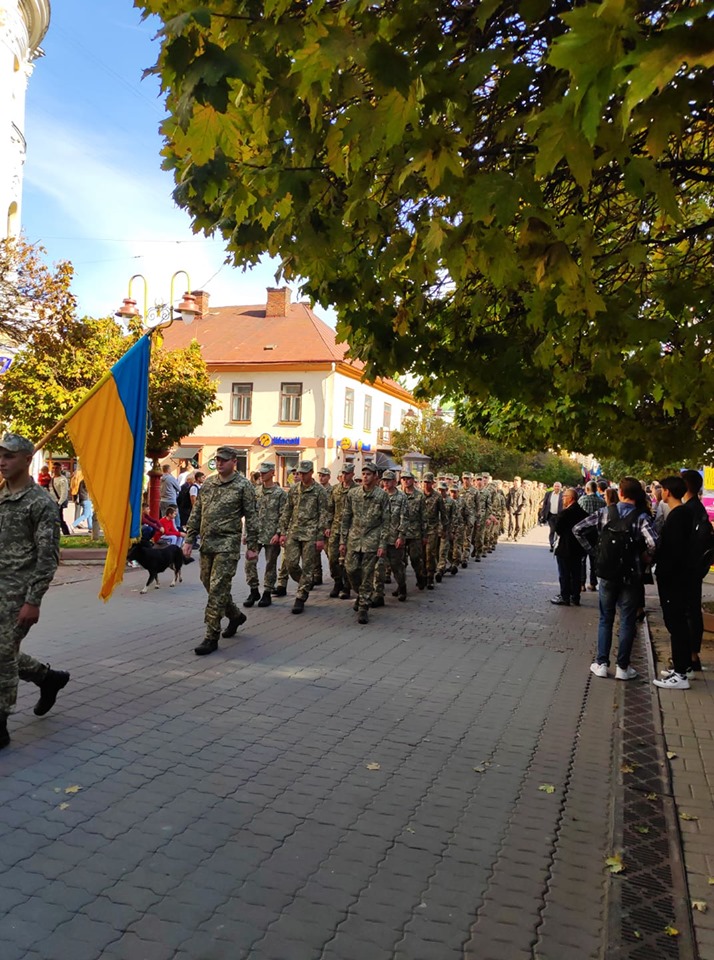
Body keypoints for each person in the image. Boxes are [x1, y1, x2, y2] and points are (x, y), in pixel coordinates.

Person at [0, 433, 71, 750]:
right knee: (4, 651)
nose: (2, 461)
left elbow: (48, 557)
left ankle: (0, 723)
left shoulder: (40, 503)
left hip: (18, 593)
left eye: (10, 456)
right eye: (0, 455)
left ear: (28, 459)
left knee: (1, 655)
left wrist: (33, 600)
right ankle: (47, 678)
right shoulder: (1, 497)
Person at [574, 477, 657, 680]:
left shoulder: (605, 513)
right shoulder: (641, 517)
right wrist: (645, 557)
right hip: (631, 574)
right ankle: (623, 667)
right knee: (627, 620)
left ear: (620, 492)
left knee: (605, 618)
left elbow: (578, 529)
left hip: (607, 574)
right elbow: (654, 542)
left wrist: (594, 552)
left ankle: (601, 663)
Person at [182, 446, 258, 655]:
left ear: (234, 461)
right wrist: (189, 539)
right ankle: (234, 615)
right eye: (218, 459)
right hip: (207, 544)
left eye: (224, 459)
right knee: (208, 583)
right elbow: (197, 511)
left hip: (228, 544)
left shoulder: (243, 486)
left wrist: (252, 546)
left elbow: (252, 517)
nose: (220, 463)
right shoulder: (208, 483)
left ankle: (211, 636)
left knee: (217, 588)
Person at [653, 476, 695, 690]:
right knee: (678, 622)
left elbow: (674, 551)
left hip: (673, 579)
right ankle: (684, 666)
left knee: (675, 623)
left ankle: (680, 674)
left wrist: (662, 571)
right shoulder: (682, 513)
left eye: (661, 488)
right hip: (678, 577)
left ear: (668, 491)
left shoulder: (678, 516)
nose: (659, 491)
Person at [278, 460, 330, 614]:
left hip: (311, 533)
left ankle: (300, 597)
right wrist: (282, 532)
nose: (301, 475)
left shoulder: (319, 491)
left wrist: (320, 537)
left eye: (304, 473)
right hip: (294, 532)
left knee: (308, 566)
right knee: (290, 563)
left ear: (311, 472)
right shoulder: (294, 489)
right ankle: (305, 582)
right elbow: (287, 510)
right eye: (299, 473)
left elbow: (323, 514)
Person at [340, 462, 388, 624]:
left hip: (372, 540)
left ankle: (363, 608)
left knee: (368, 575)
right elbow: (346, 518)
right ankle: (361, 593)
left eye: (369, 474)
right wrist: (342, 541)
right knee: (351, 570)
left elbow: (386, 522)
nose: (366, 477)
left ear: (375, 477)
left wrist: (382, 545)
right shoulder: (353, 494)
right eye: (364, 474)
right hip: (354, 539)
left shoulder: (382, 496)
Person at [243, 462, 286, 608]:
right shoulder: (256, 492)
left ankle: (267, 592)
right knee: (249, 562)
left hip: (271, 534)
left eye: (265, 472)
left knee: (270, 564)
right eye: (260, 472)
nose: (261, 474)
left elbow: (284, 515)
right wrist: (246, 533)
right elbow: (250, 514)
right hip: (255, 533)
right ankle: (253, 590)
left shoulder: (280, 493)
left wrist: (279, 533)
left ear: (273, 473)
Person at [681, 468, 711, 674]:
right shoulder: (698, 509)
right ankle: (692, 656)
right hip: (696, 568)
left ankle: (689, 658)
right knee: (692, 610)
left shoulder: (689, 510)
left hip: (688, 569)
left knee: (688, 612)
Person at [373, 469, 407, 604]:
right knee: (379, 566)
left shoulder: (401, 497)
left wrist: (401, 536)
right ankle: (378, 594)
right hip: (380, 537)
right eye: (384, 480)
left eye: (388, 480)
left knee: (396, 566)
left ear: (394, 482)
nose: (385, 483)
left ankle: (402, 587)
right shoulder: (378, 495)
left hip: (394, 537)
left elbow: (404, 518)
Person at [551, 488, 587, 606]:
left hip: (565, 548)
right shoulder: (582, 512)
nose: (562, 498)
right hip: (578, 548)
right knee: (576, 573)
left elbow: (558, 529)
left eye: (564, 496)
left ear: (570, 498)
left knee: (564, 573)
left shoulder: (565, 513)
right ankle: (575, 597)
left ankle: (565, 596)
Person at [326, 464, 357, 599]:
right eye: (343, 473)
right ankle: (337, 582)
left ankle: (347, 587)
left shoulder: (357, 490)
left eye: (347, 473)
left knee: (347, 560)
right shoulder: (335, 490)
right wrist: (327, 526)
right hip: (336, 528)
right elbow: (330, 509)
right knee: (333, 558)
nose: (344, 475)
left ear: (352, 474)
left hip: (351, 529)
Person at [578, 480, 604, 591]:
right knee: (594, 558)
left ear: (587, 489)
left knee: (582, 559)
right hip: (596, 533)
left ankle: (581, 584)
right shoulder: (602, 502)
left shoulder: (582, 500)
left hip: (583, 533)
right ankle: (593, 583)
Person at [47, 462, 71, 535]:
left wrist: (59, 503)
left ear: (60, 469)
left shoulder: (62, 480)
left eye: (56, 468)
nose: (55, 470)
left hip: (57, 503)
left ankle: (66, 534)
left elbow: (64, 493)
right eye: (53, 468)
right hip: (51, 502)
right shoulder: (52, 478)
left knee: (60, 519)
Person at [540, 481, 563, 552]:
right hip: (551, 515)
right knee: (552, 530)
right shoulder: (548, 494)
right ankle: (552, 544)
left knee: (558, 530)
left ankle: (557, 544)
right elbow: (545, 504)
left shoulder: (563, 495)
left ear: (560, 487)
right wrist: (543, 514)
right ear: (553, 487)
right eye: (555, 486)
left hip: (559, 516)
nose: (556, 488)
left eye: (558, 486)